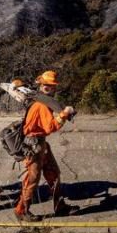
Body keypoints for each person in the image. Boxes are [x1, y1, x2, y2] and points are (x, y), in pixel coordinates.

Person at [14, 71, 79, 221]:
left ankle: (60, 206)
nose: (49, 88)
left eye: (51, 86)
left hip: (40, 143)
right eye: (46, 85)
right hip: (33, 145)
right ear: (41, 85)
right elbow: (51, 127)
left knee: (53, 173)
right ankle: (21, 211)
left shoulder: (43, 101)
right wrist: (64, 114)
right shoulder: (41, 105)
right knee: (32, 179)